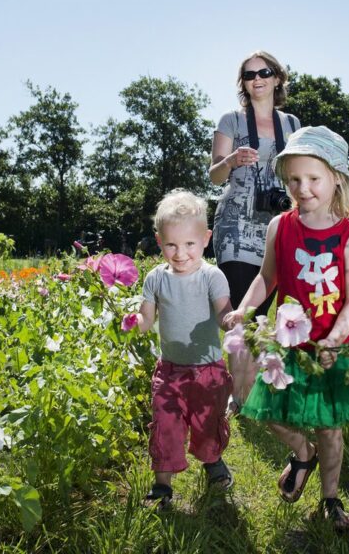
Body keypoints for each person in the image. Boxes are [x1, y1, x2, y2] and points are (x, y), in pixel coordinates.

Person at [223, 126, 349, 533]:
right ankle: (301, 452)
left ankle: (331, 498)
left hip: (331, 348)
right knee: (268, 410)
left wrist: (334, 339)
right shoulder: (281, 225)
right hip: (287, 343)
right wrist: (244, 309)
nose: (303, 187)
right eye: (294, 179)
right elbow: (266, 278)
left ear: (336, 180)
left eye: (314, 179)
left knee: (331, 428)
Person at [122, 189, 234, 510]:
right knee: (165, 423)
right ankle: (162, 486)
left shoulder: (212, 276)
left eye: (189, 244)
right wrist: (132, 322)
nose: (180, 253)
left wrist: (233, 322)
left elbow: (224, 312)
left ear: (206, 239)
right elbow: (146, 319)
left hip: (208, 370)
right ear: (159, 242)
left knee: (207, 423)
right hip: (169, 369)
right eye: (171, 244)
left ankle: (212, 462)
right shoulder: (156, 278)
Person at [209, 51, 300, 414]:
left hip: (276, 224)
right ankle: (240, 398)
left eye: (264, 73)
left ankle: (255, 385)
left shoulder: (291, 124)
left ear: (277, 78)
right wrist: (230, 161)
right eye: (249, 75)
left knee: (263, 313)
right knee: (240, 311)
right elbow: (214, 175)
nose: (257, 79)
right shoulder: (230, 120)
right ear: (243, 84)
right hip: (235, 226)